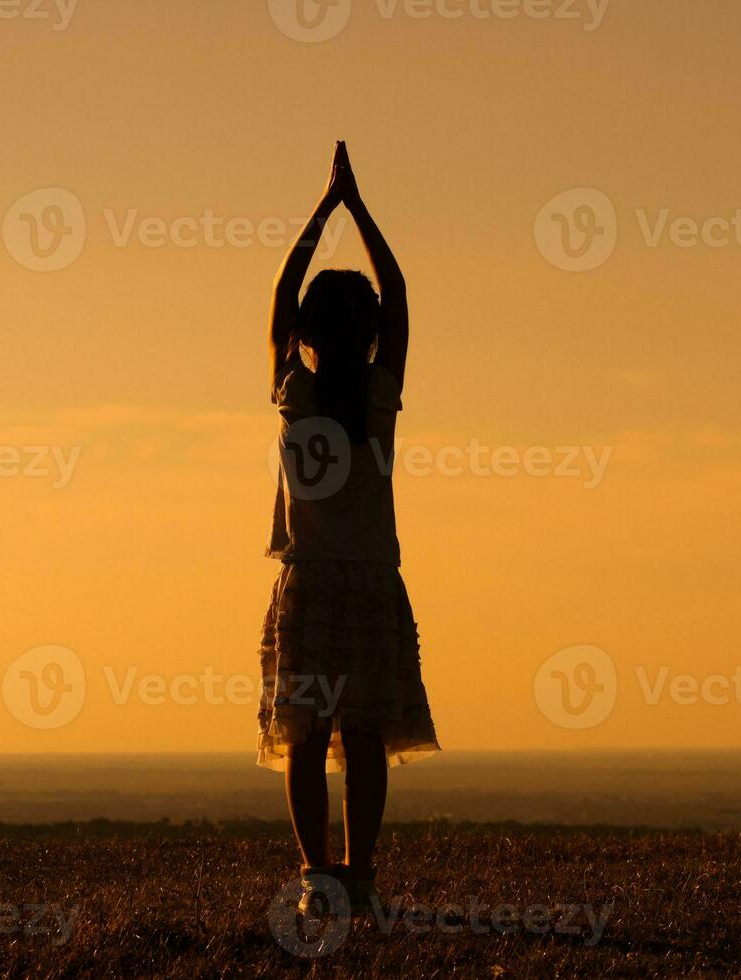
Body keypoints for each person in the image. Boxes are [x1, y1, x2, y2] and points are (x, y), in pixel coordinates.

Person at [258, 141, 440, 915]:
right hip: (369, 584)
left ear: (304, 332)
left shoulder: (292, 388)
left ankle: (316, 878)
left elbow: (279, 297)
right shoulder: (377, 395)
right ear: (367, 335)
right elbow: (398, 291)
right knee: (363, 736)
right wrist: (356, 206)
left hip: (309, 583)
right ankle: (359, 878)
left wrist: (320, 210)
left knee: (306, 735)